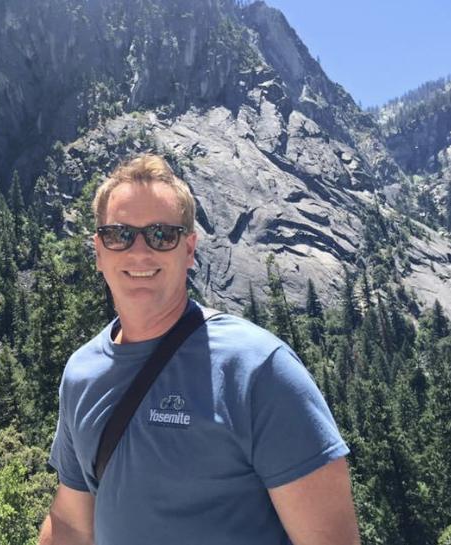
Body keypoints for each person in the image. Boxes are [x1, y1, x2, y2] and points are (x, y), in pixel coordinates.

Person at [38, 154, 361, 545]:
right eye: (119, 235)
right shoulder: (82, 374)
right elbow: (72, 523)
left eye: (161, 235)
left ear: (189, 249)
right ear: (99, 251)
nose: (139, 252)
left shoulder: (258, 369)